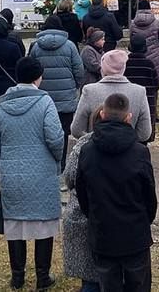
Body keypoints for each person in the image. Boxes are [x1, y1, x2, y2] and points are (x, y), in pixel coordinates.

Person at [0, 56, 64, 290]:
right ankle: (43, 276)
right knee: (43, 222)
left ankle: (17, 276)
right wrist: (57, 159)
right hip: (41, 171)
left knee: (15, 224)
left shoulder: (1, 105)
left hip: (11, 171)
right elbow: (55, 137)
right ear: (38, 76)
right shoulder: (45, 103)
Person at [76, 92, 159, 292]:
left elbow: (82, 192)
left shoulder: (87, 151)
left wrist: (94, 216)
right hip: (135, 232)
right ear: (128, 117)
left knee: (108, 284)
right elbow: (149, 194)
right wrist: (144, 219)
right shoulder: (139, 152)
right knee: (138, 285)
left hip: (103, 230)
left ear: (103, 114)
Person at [31, 15, 84, 164]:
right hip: (65, 97)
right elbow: (79, 70)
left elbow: (31, 69)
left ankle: (45, 162)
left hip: (42, 97)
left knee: (43, 130)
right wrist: (76, 85)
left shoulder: (36, 47)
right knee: (63, 132)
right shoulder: (70, 46)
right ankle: (60, 163)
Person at [72, 50, 152, 143]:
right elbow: (144, 134)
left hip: (96, 151)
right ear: (123, 68)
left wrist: (94, 141)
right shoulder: (139, 92)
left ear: (103, 68)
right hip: (128, 152)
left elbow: (77, 130)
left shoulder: (89, 91)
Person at [63, 106, 102, 292]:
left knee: (88, 268)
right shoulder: (134, 147)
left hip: (82, 212)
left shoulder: (81, 146)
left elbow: (70, 178)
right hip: (116, 218)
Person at [129, 2, 159, 120]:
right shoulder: (156, 23)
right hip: (155, 58)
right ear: (149, 9)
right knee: (153, 89)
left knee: (137, 87)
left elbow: (131, 42)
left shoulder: (133, 24)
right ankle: (153, 114)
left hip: (137, 58)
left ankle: (137, 113)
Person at [124, 34, 159, 143]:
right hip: (146, 101)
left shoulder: (125, 64)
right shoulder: (149, 64)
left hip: (128, 101)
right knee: (144, 131)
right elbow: (156, 84)